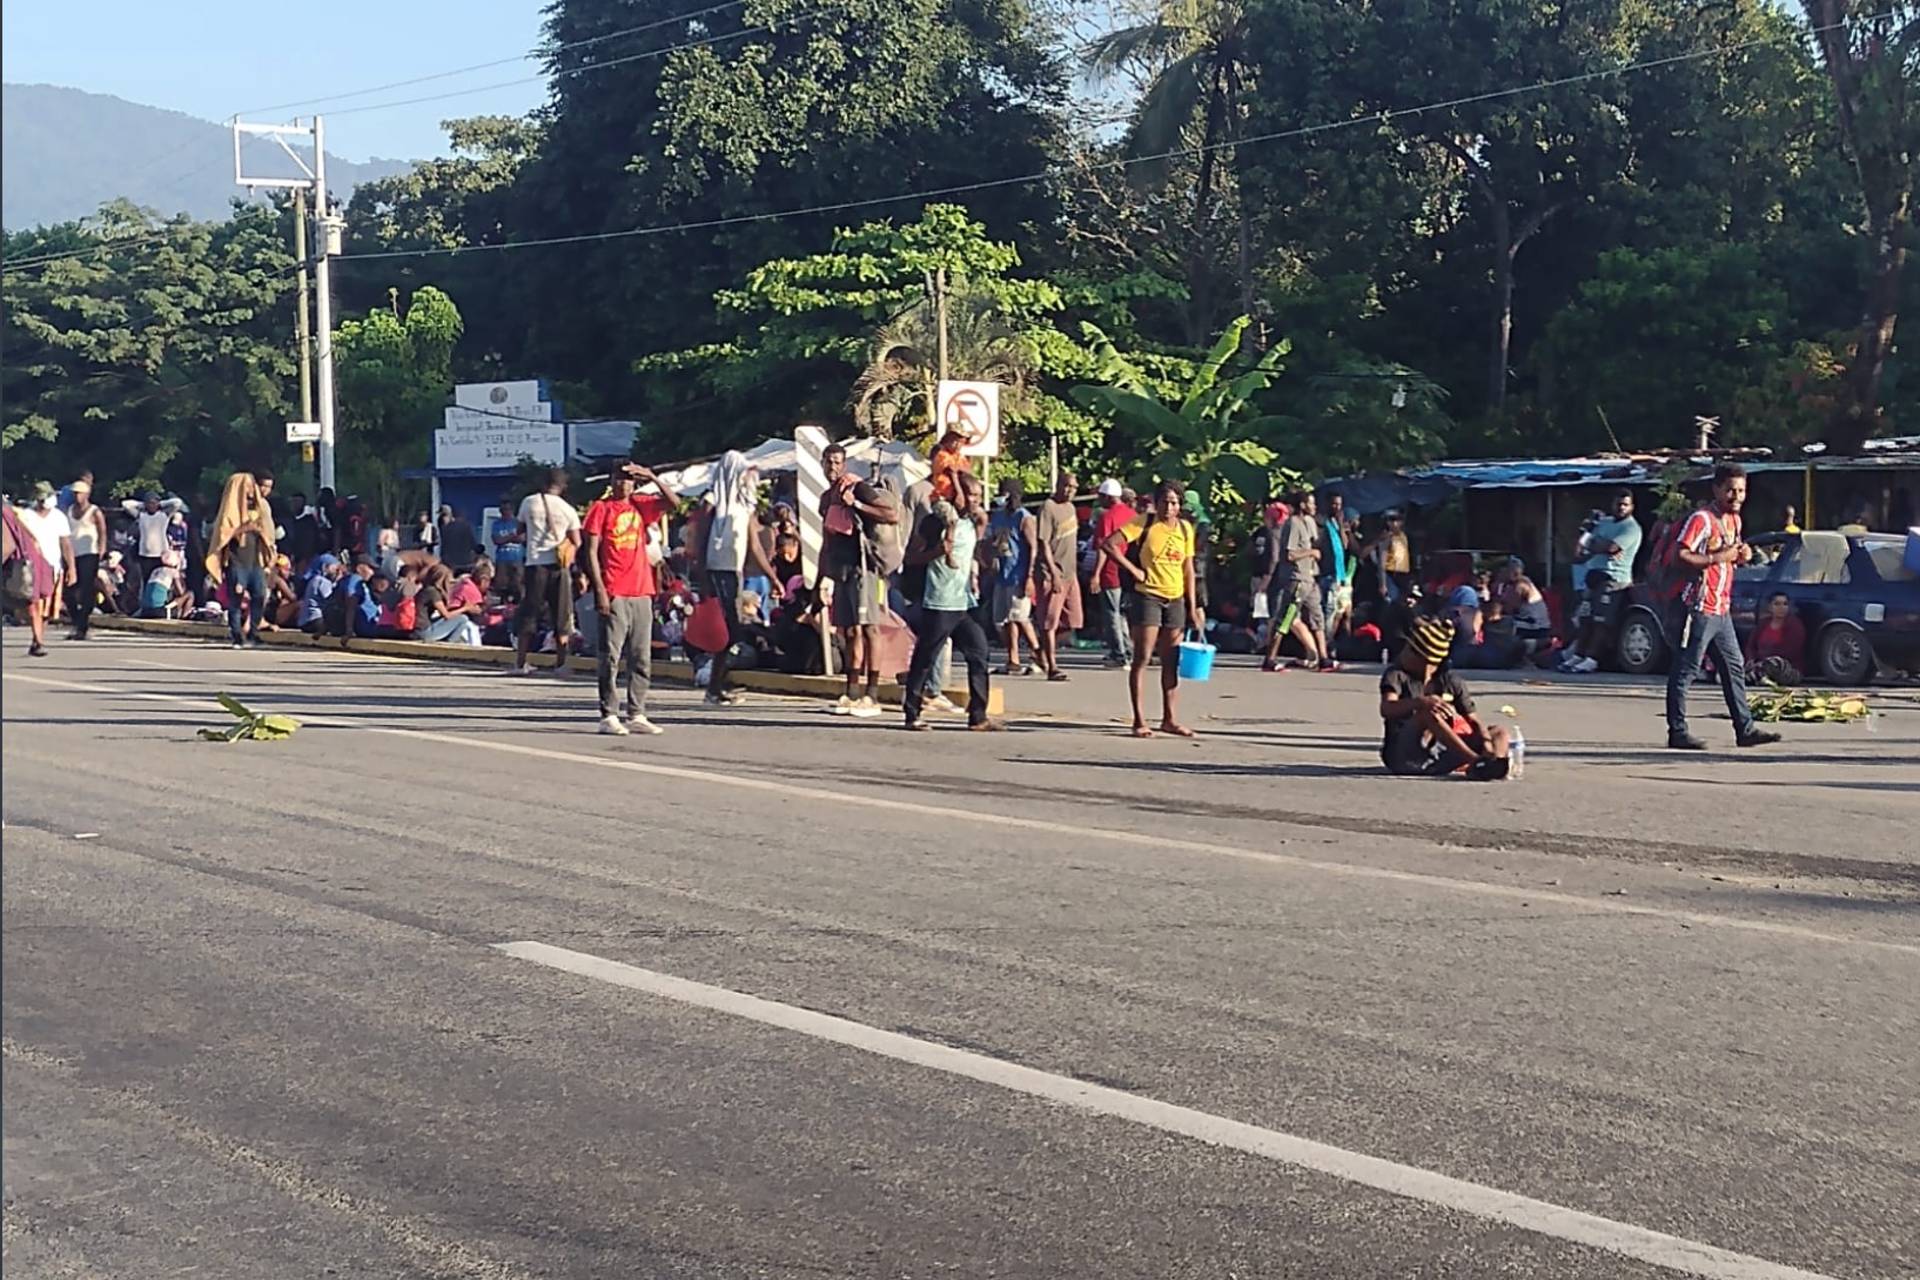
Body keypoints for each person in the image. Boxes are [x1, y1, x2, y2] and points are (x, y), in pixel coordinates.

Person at [1666, 463, 1781, 751]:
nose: (1736, 496)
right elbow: (1680, 555)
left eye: (1741, 491)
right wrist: (1718, 558)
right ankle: (1677, 732)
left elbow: (1732, 555)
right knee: (1686, 669)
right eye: (1730, 490)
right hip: (1699, 607)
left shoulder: (1735, 521)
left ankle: (1745, 729)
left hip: (1721, 609)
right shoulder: (1702, 520)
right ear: (1716, 489)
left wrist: (1742, 555)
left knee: (1734, 668)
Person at [583, 462, 679, 736]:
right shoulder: (600, 509)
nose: (623, 484)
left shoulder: (640, 505)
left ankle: (636, 712)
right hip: (614, 589)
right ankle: (609, 713)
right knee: (611, 656)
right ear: (611, 480)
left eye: (628, 479)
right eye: (619, 479)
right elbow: (591, 551)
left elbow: (674, 503)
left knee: (641, 656)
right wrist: (600, 589)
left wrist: (651, 476)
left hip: (641, 590)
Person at [1102, 479, 1203, 739]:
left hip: (1175, 598)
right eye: (1164, 502)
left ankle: (1170, 719)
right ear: (1156, 503)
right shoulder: (1144, 523)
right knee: (1143, 657)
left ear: (1180, 505)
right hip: (1148, 596)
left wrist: (1193, 606)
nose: (1169, 508)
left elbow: (1188, 569)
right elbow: (1109, 544)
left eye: (1174, 503)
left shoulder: (1185, 529)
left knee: (1171, 660)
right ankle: (1139, 719)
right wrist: (1134, 570)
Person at [902, 473, 999, 731]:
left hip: (963, 601)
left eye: (978, 496)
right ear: (956, 494)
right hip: (939, 602)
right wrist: (936, 552)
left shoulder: (969, 522)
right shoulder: (935, 523)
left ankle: (978, 716)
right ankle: (912, 712)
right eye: (970, 495)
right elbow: (910, 557)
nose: (975, 500)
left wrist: (990, 553)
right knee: (926, 657)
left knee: (979, 652)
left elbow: (974, 555)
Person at [695, 450, 783, 708]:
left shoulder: (745, 505)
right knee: (724, 630)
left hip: (734, 571)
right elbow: (701, 540)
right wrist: (702, 577)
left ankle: (716, 684)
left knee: (732, 632)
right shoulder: (712, 500)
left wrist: (773, 578)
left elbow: (754, 546)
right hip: (716, 572)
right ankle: (714, 685)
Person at [1378, 616, 1513, 779]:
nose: (1403, 654)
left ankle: (1493, 764)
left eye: (1410, 650)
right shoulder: (1396, 675)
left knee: (1498, 732)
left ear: (1427, 661)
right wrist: (1420, 702)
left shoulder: (1451, 681)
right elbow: (1387, 708)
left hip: (1441, 753)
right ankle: (1475, 761)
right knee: (1427, 712)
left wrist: (1487, 745)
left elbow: (1473, 720)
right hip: (1405, 757)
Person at [819, 442, 895, 716]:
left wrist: (858, 505)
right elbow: (827, 541)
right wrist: (821, 578)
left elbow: (891, 514)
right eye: (828, 461)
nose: (832, 467)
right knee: (849, 631)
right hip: (841, 571)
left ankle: (872, 694)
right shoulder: (826, 498)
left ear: (844, 464)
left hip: (863, 567)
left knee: (870, 628)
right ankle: (851, 691)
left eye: (837, 462)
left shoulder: (856, 487)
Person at [1559, 488, 1642, 674]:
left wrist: (1597, 544)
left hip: (1613, 580)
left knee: (1601, 622)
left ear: (1632, 507)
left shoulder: (1631, 528)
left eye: (1625, 505)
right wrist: (1591, 538)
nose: (1621, 508)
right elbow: (1581, 547)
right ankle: (1578, 655)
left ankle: (1592, 659)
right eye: (1618, 504)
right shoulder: (1604, 523)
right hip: (1592, 577)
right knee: (1585, 619)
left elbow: (1611, 547)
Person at [512, 469, 582, 674]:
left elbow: (519, 531)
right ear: (563, 486)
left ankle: (520, 663)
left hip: (535, 565)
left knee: (529, 613)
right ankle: (561, 663)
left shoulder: (529, 502)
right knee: (561, 615)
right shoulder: (568, 509)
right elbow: (577, 541)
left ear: (544, 483)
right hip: (560, 567)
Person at [1264, 492, 1335, 672]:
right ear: (1302, 505)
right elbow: (1290, 554)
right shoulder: (1293, 524)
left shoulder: (1309, 522)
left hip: (1310, 577)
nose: (1314, 507)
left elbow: (1315, 542)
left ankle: (1324, 658)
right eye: (1311, 503)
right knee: (1286, 617)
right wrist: (1310, 553)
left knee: (1317, 617)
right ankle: (1270, 659)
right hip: (1296, 578)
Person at [208, 469, 277, 649]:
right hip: (237, 561)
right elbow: (223, 535)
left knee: (259, 596)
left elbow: (268, 531)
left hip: (256, 561)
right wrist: (244, 528)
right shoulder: (230, 509)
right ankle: (237, 636)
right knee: (236, 598)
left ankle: (254, 633)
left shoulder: (260, 507)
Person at [1033, 470, 1083, 681]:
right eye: (1066, 486)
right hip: (1052, 572)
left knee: (1073, 621)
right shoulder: (1048, 507)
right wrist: (1052, 572)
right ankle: (1052, 666)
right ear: (1058, 485)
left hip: (1070, 573)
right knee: (1050, 621)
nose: (1070, 491)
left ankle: (1041, 650)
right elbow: (1043, 542)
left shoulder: (1071, 508)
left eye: (1074, 487)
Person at [988, 478, 1039, 676]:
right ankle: (1013, 659)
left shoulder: (1024, 517)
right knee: (1004, 620)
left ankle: (1039, 654)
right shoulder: (998, 516)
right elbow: (993, 541)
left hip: (1018, 574)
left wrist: (1030, 576)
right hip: (1002, 574)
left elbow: (1033, 547)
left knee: (1020, 617)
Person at [1087, 478, 1135, 668]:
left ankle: (1119, 654)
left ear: (1108, 497)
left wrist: (1096, 574)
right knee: (1122, 613)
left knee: (1111, 613)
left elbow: (1103, 548)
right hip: (1129, 571)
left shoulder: (1107, 518)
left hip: (1111, 570)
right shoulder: (1132, 514)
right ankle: (1128, 651)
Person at [3, 498, 56, 656]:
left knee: (30, 601)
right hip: (26, 560)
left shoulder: (4, 514)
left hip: (18, 562)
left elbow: (7, 546)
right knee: (32, 603)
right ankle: (37, 641)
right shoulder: (10, 513)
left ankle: (38, 641)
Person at [21, 482, 76, 632]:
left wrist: (71, 568)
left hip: (53, 567)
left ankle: (39, 636)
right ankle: (37, 637)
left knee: (47, 608)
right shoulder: (26, 516)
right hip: (30, 567)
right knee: (33, 604)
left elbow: (66, 544)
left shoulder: (58, 517)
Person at [63, 479, 108, 639]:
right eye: (75, 493)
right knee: (68, 592)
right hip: (72, 555)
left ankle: (82, 626)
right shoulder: (69, 510)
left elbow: (102, 532)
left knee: (86, 590)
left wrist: (101, 550)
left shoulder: (94, 511)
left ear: (87, 494)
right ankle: (78, 622)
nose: (77, 497)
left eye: (80, 493)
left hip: (89, 553)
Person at [1744, 591, 1808, 686]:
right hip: (1761, 664)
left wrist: (1764, 660)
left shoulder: (1795, 625)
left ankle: (1756, 676)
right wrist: (1751, 659)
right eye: (1777, 604)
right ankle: (1757, 676)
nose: (1781, 608)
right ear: (1770, 607)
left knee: (1775, 663)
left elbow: (1791, 651)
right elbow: (1751, 646)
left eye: (1785, 604)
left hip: (1787, 668)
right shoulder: (1763, 624)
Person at [1320, 492, 1356, 641]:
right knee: (1328, 610)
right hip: (1328, 571)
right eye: (1334, 504)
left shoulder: (1336, 523)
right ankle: (1325, 642)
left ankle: (1330, 641)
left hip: (1339, 574)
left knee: (1338, 611)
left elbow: (1345, 544)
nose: (1337, 507)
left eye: (1339, 505)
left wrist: (1341, 524)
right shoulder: (1322, 523)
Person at [126, 491, 172, 585]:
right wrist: (143, 504)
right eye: (149, 503)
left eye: (154, 503)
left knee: (161, 580)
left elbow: (177, 503)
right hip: (145, 555)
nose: (152, 505)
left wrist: (160, 504)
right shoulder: (141, 516)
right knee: (146, 580)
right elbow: (126, 504)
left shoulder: (164, 515)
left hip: (161, 555)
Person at [1370, 510, 1413, 605]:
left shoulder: (1404, 536)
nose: (1394, 523)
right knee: (1392, 603)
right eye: (1391, 520)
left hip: (1403, 575)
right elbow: (1382, 561)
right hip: (1390, 574)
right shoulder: (1387, 537)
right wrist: (1383, 584)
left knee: (1403, 603)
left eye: (1397, 520)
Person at [296, 554, 344, 634]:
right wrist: (338, 580)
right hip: (315, 620)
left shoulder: (314, 579)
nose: (337, 570)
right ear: (325, 567)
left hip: (305, 622)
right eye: (335, 567)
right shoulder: (321, 581)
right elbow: (331, 599)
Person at [929, 430, 971, 502]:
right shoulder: (942, 454)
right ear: (947, 441)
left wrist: (959, 468)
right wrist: (959, 493)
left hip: (956, 497)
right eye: (955, 441)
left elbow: (968, 470)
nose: (958, 445)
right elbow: (951, 470)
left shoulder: (959, 456)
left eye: (961, 442)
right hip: (943, 496)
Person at [438, 504, 479, 571]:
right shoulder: (466, 525)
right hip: (466, 563)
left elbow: (444, 548)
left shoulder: (445, 529)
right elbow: (473, 544)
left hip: (451, 565)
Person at [284, 494, 320, 567]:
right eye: (294, 501)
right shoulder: (288, 519)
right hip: (289, 556)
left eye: (298, 502)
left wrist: (305, 558)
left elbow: (310, 541)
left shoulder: (308, 521)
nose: (296, 504)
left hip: (305, 557)